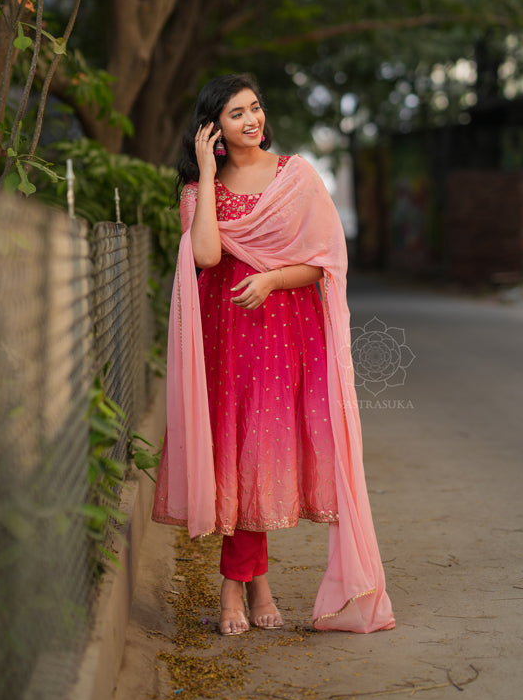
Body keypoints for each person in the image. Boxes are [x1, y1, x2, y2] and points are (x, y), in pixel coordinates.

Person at [152, 73, 395, 636]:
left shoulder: (297, 176)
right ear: (213, 129)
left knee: (254, 457)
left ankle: (235, 587)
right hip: (223, 337)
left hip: (281, 337)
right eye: (236, 114)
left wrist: (270, 280)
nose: (252, 120)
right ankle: (251, 586)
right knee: (236, 456)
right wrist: (209, 177)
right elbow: (208, 256)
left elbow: (326, 261)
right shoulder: (196, 192)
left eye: (255, 108)